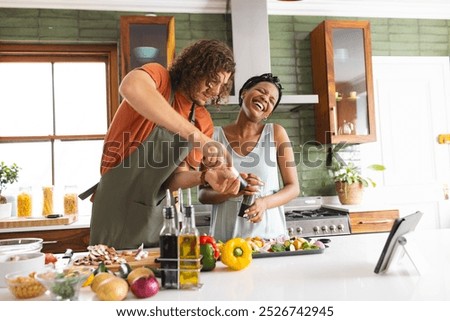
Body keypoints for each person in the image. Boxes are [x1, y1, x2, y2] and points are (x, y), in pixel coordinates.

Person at [84, 39, 242, 249]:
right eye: (212, 79)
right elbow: (131, 86)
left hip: (155, 214)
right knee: (112, 277)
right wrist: (198, 139)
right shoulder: (159, 79)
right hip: (116, 207)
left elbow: (173, 179)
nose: (215, 90)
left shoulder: (202, 120)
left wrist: (204, 176)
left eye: (222, 84)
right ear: (194, 68)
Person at [198, 73, 300, 242]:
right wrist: (232, 190)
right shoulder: (213, 136)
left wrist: (264, 203)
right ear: (244, 93)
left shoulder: (276, 133)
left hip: (269, 238)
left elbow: (293, 187)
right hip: (226, 239)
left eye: (271, 100)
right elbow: (203, 195)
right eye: (261, 91)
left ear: (268, 113)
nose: (265, 99)